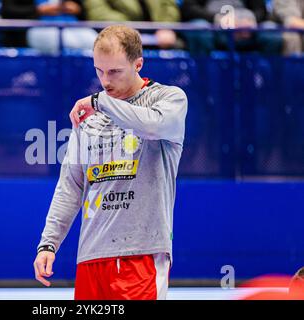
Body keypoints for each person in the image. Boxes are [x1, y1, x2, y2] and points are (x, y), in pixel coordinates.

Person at [34, 25, 187, 300]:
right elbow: (70, 186)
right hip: (91, 256)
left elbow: (153, 126)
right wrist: (48, 244)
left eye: (114, 71)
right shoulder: (90, 115)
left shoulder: (168, 99)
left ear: (138, 63)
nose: (105, 81)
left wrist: (100, 102)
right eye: (99, 70)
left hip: (140, 254)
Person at [181, 0, 283, 55]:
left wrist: (249, 22)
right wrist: (218, 19)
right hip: (214, 29)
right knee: (200, 30)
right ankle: (203, 85)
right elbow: (188, 8)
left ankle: (265, 85)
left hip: (246, 30)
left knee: (271, 34)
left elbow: (261, 10)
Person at [83, 0, 183, 50]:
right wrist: (128, 30)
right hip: (120, 35)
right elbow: (98, 12)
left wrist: (166, 27)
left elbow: (169, 6)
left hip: (160, 36)